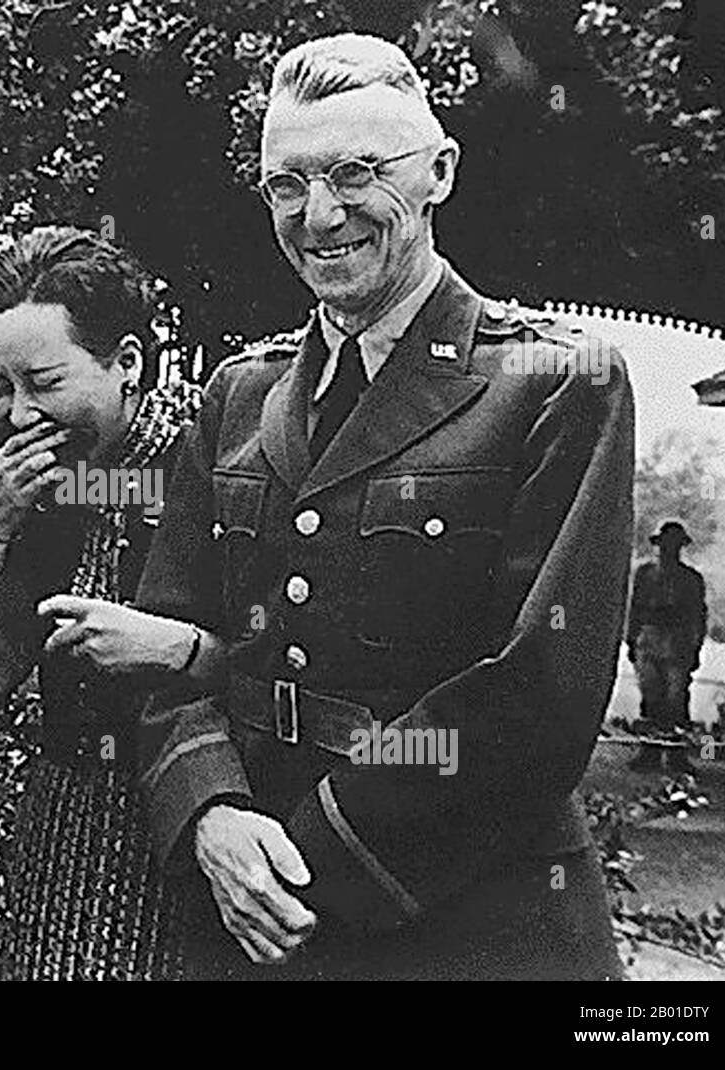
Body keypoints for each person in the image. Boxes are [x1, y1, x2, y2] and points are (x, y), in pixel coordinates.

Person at [132, 34, 634, 980]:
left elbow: (539, 691)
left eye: (356, 172)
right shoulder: (241, 395)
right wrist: (211, 813)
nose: (319, 215)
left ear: (439, 172)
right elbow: (162, 643)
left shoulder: (555, 384)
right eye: (287, 184)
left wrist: (303, 856)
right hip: (246, 914)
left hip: (464, 921)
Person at [0, 226, 219, 979]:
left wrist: (179, 648)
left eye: (44, 384)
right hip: (56, 829)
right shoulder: (22, 482)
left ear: (128, 363)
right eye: (2, 387)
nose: (16, 414)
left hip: (187, 820)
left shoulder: (210, 461)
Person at [626, 520, 708, 773]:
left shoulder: (691, 580)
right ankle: (648, 752)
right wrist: (632, 639)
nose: (667, 550)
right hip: (649, 639)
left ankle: (676, 755)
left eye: (673, 546)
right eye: (664, 545)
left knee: (676, 698)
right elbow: (635, 609)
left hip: (677, 640)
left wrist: (695, 649)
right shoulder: (644, 574)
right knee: (650, 697)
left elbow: (698, 616)